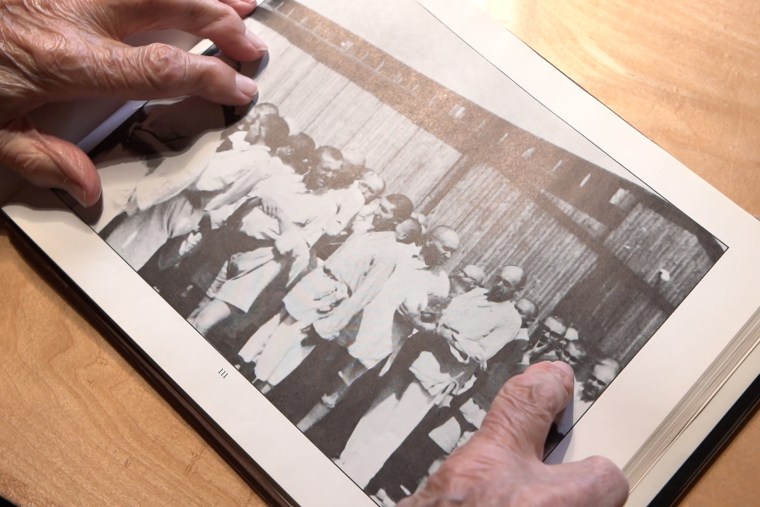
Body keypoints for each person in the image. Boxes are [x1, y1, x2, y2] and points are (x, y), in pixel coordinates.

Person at [0, 2, 628, 506]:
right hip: (327, 298)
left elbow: (436, 323)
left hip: (381, 340)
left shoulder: (442, 281)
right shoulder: (379, 240)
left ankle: (304, 431)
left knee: (331, 395)